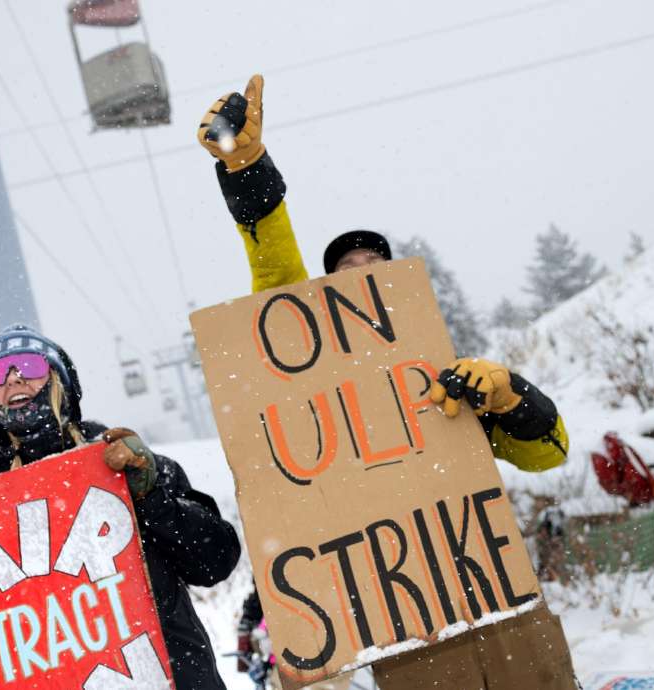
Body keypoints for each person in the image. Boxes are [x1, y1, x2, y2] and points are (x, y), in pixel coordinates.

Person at [198, 75, 578, 690]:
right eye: (347, 273)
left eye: (377, 267)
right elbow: (278, 279)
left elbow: (549, 452)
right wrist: (248, 172)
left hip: (509, 623)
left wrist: (511, 396)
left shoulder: (452, 382)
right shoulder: (314, 392)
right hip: (410, 643)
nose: (364, 278)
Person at [0, 324, 243, 690]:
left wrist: (152, 499)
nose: (13, 380)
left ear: (60, 382)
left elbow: (216, 561)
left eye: (29, 367)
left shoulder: (125, 460)